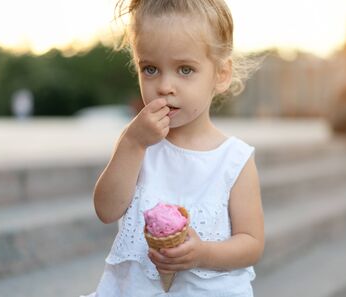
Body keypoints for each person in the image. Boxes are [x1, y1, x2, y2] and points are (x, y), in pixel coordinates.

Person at [81, 0, 264, 296]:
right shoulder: (137, 144)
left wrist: (203, 253)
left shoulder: (234, 159)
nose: (165, 85)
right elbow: (106, 209)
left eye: (185, 70)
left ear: (221, 74)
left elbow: (251, 243)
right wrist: (133, 142)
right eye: (150, 69)